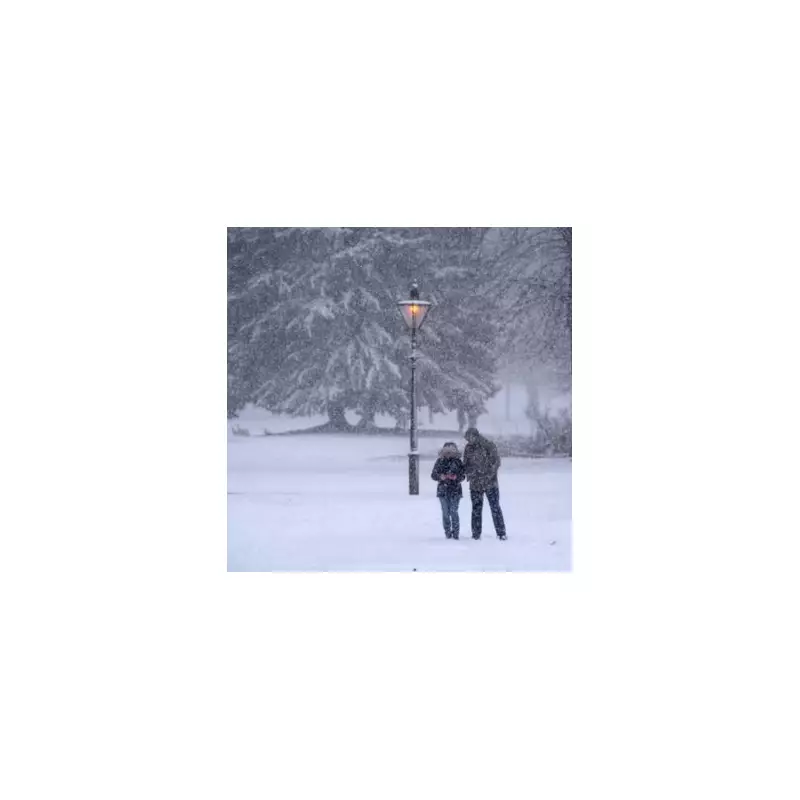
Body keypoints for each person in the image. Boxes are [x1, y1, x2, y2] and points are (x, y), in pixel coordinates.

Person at [463, 427, 507, 540]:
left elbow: (496, 462)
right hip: (475, 484)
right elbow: (466, 464)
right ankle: (476, 534)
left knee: (495, 508)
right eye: (467, 438)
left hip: (490, 483)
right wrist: (470, 473)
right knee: (476, 509)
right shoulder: (468, 448)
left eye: (470, 437)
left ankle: (501, 533)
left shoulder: (488, 445)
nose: (468, 440)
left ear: (476, 436)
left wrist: (488, 475)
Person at [430, 441, 466, 540]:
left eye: (451, 452)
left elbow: (463, 475)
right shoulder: (439, 461)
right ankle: (447, 532)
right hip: (443, 491)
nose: (449, 454)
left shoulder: (458, 462)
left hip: (455, 490)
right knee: (445, 512)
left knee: (454, 511)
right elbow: (433, 475)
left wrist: (456, 477)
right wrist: (440, 477)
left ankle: (456, 533)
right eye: (447, 451)